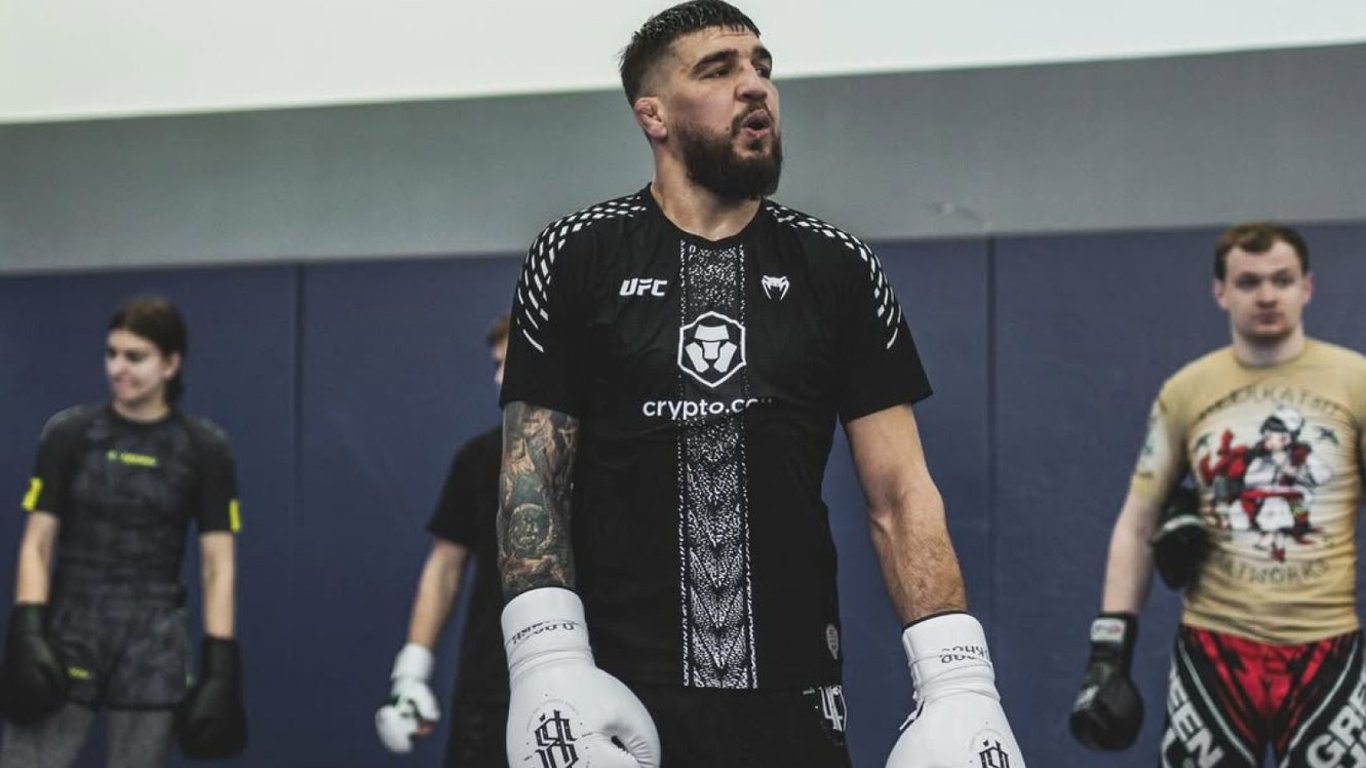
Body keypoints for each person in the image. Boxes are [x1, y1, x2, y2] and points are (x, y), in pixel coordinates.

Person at [493, 2, 1025, 766]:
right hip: (615, 687)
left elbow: (901, 493)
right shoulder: (578, 253)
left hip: (793, 689)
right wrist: (545, 662)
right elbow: (531, 475)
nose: (755, 86)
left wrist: (959, 683)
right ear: (653, 115)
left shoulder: (838, 266)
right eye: (719, 70)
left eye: (762, 67)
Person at [1071, 223, 1366, 766]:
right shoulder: (1187, 390)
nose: (1267, 295)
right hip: (1214, 649)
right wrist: (1109, 652)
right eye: (1249, 282)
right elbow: (1137, 522)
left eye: (1282, 279)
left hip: (1326, 647)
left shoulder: (1357, 382)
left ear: (1307, 286)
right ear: (1220, 292)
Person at [0, 295, 247, 767]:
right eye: (111, 354)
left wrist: (221, 664)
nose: (118, 368)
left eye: (135, 357)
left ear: (170, 364)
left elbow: (219, 566)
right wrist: (27, 627)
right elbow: (37, 542)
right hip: (68, 632)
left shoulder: (205, 448)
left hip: (152, 644)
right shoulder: (69, 434)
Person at [375, 315, 511, 766]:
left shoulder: (609, 457)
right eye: (496, 365)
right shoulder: (479, 459)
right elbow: (444, 568)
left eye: (511, 364)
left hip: (589, 684)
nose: (499, 379)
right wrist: (411, 673)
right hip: (490, 687)